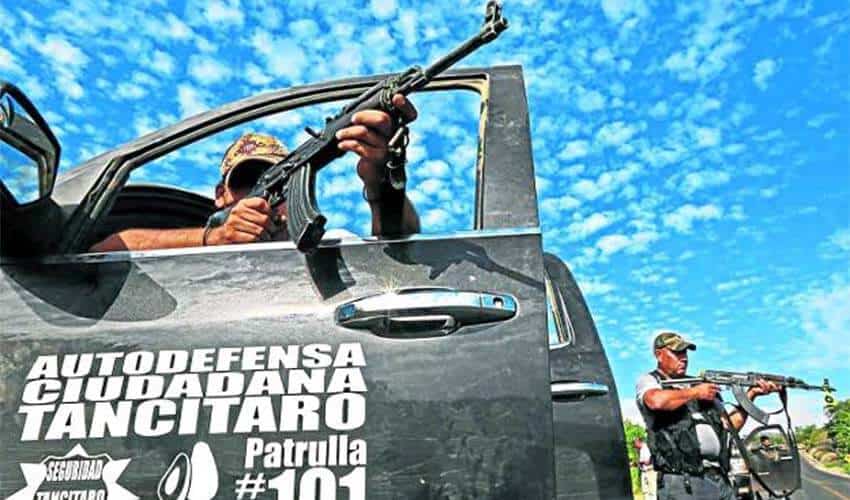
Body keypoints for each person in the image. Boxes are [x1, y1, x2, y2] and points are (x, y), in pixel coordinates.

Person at [90, 95, 420, 252]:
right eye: (244, 183)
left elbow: (398, 249)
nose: (256, 198)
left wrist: (381, 183)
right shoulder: (187, 256)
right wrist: (215, 238)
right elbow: (106, 250)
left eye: (279, 186)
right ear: (221, 196)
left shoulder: (332, 247)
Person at [635, 331, 780, 500]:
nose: (684, 358)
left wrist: (751, 394)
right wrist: (695, 392)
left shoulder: (701, 387)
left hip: (718, 478)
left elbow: (729, 426)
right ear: (659, 355)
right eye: (677, 352)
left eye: (685, 352)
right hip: (683, 482)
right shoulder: (651, 381)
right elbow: (655, 401)